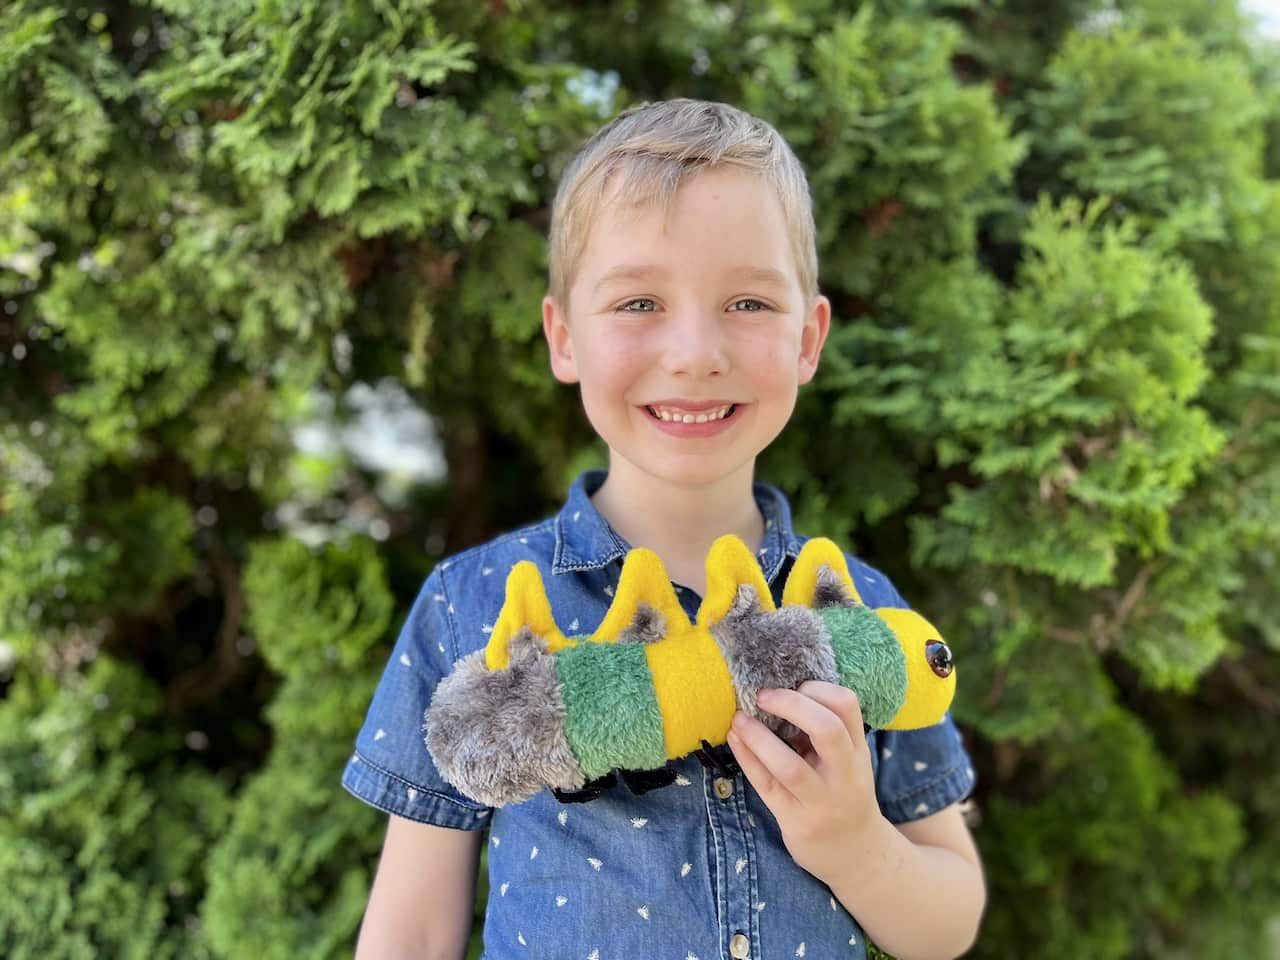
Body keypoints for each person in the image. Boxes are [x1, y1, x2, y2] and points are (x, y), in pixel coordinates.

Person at [343, 98, 985, 960]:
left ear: (809, 338)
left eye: (748, 302)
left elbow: (950, 920)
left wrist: (858, 849)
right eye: (640, 301)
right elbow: (413, 931)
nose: (694, 353)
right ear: (564, 338)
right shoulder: (472, 604)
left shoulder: (863, 614)